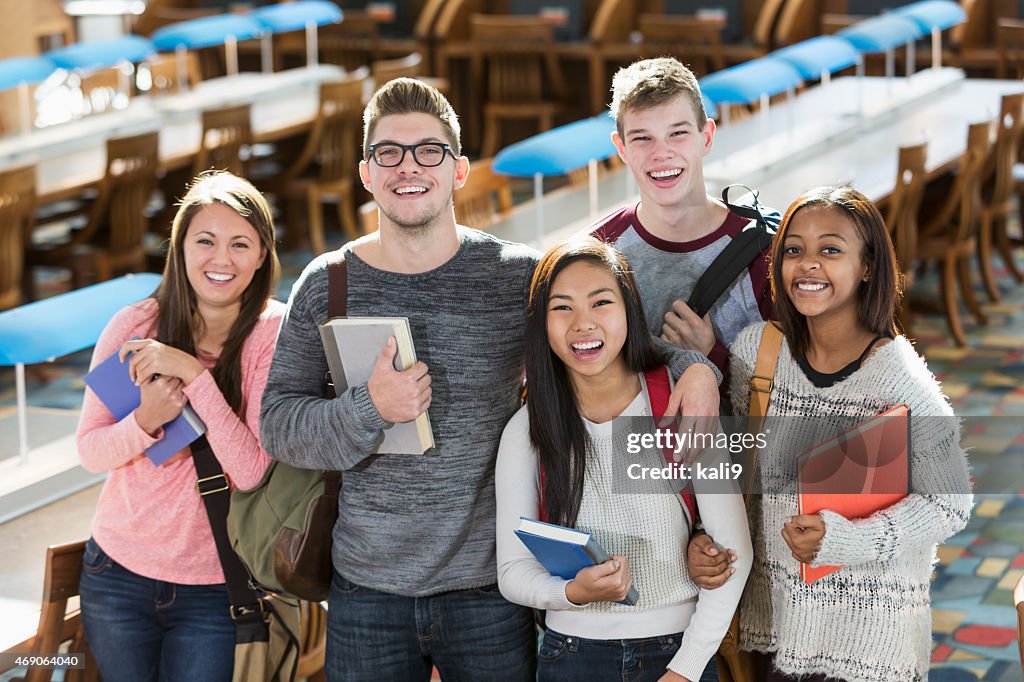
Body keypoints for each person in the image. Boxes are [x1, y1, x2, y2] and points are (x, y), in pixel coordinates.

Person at [258, 77, 721, 681]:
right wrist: (368, 407)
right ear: (366, 173)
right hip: (366, 585)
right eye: (388, 153)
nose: (408, 168)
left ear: (459, 171)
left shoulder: (516, 276)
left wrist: (697, 369)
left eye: (429, 151)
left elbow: (611, 342)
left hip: (491, 588)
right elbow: (278, 423)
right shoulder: (327, 282)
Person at [691, 186, 973, 681]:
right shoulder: (758, 353)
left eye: (831, 250)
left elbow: (949, 504)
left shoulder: (899, 379)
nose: (808, 264)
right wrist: (703, 537)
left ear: (867, 266)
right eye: (794, 250)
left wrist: (847, 540)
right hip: (773, 624)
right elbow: (739, 471)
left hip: (867, 640)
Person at [495, 237, 752, 682]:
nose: (583, 324)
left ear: (630, 311)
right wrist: (571, 592)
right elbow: (512, 572)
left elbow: (736, 553)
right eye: (562, 308)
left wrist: (686, 670)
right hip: (571, 656)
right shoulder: (527, 429)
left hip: (680, 649)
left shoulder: (681, 406)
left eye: (601, 303)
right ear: (541, 324)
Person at [76, 171, 284, 682]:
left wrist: (194, 374)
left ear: (261, 254)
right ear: (180, 247)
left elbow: (252, 470)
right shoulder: (135, 326)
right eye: (205, 241)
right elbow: (90, 450)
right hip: (116, 574)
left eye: (240, 244)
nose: (221, 259)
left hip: (213, 585)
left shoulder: (271, 336)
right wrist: (146, 420)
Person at [590, 57, 774, 392]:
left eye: (678, 133)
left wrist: (711, 355)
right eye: (643, 138)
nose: (662, 153)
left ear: (707, 137)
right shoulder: (595, 253)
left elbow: (795, 391)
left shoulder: (764, 251)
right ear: (621, 148)